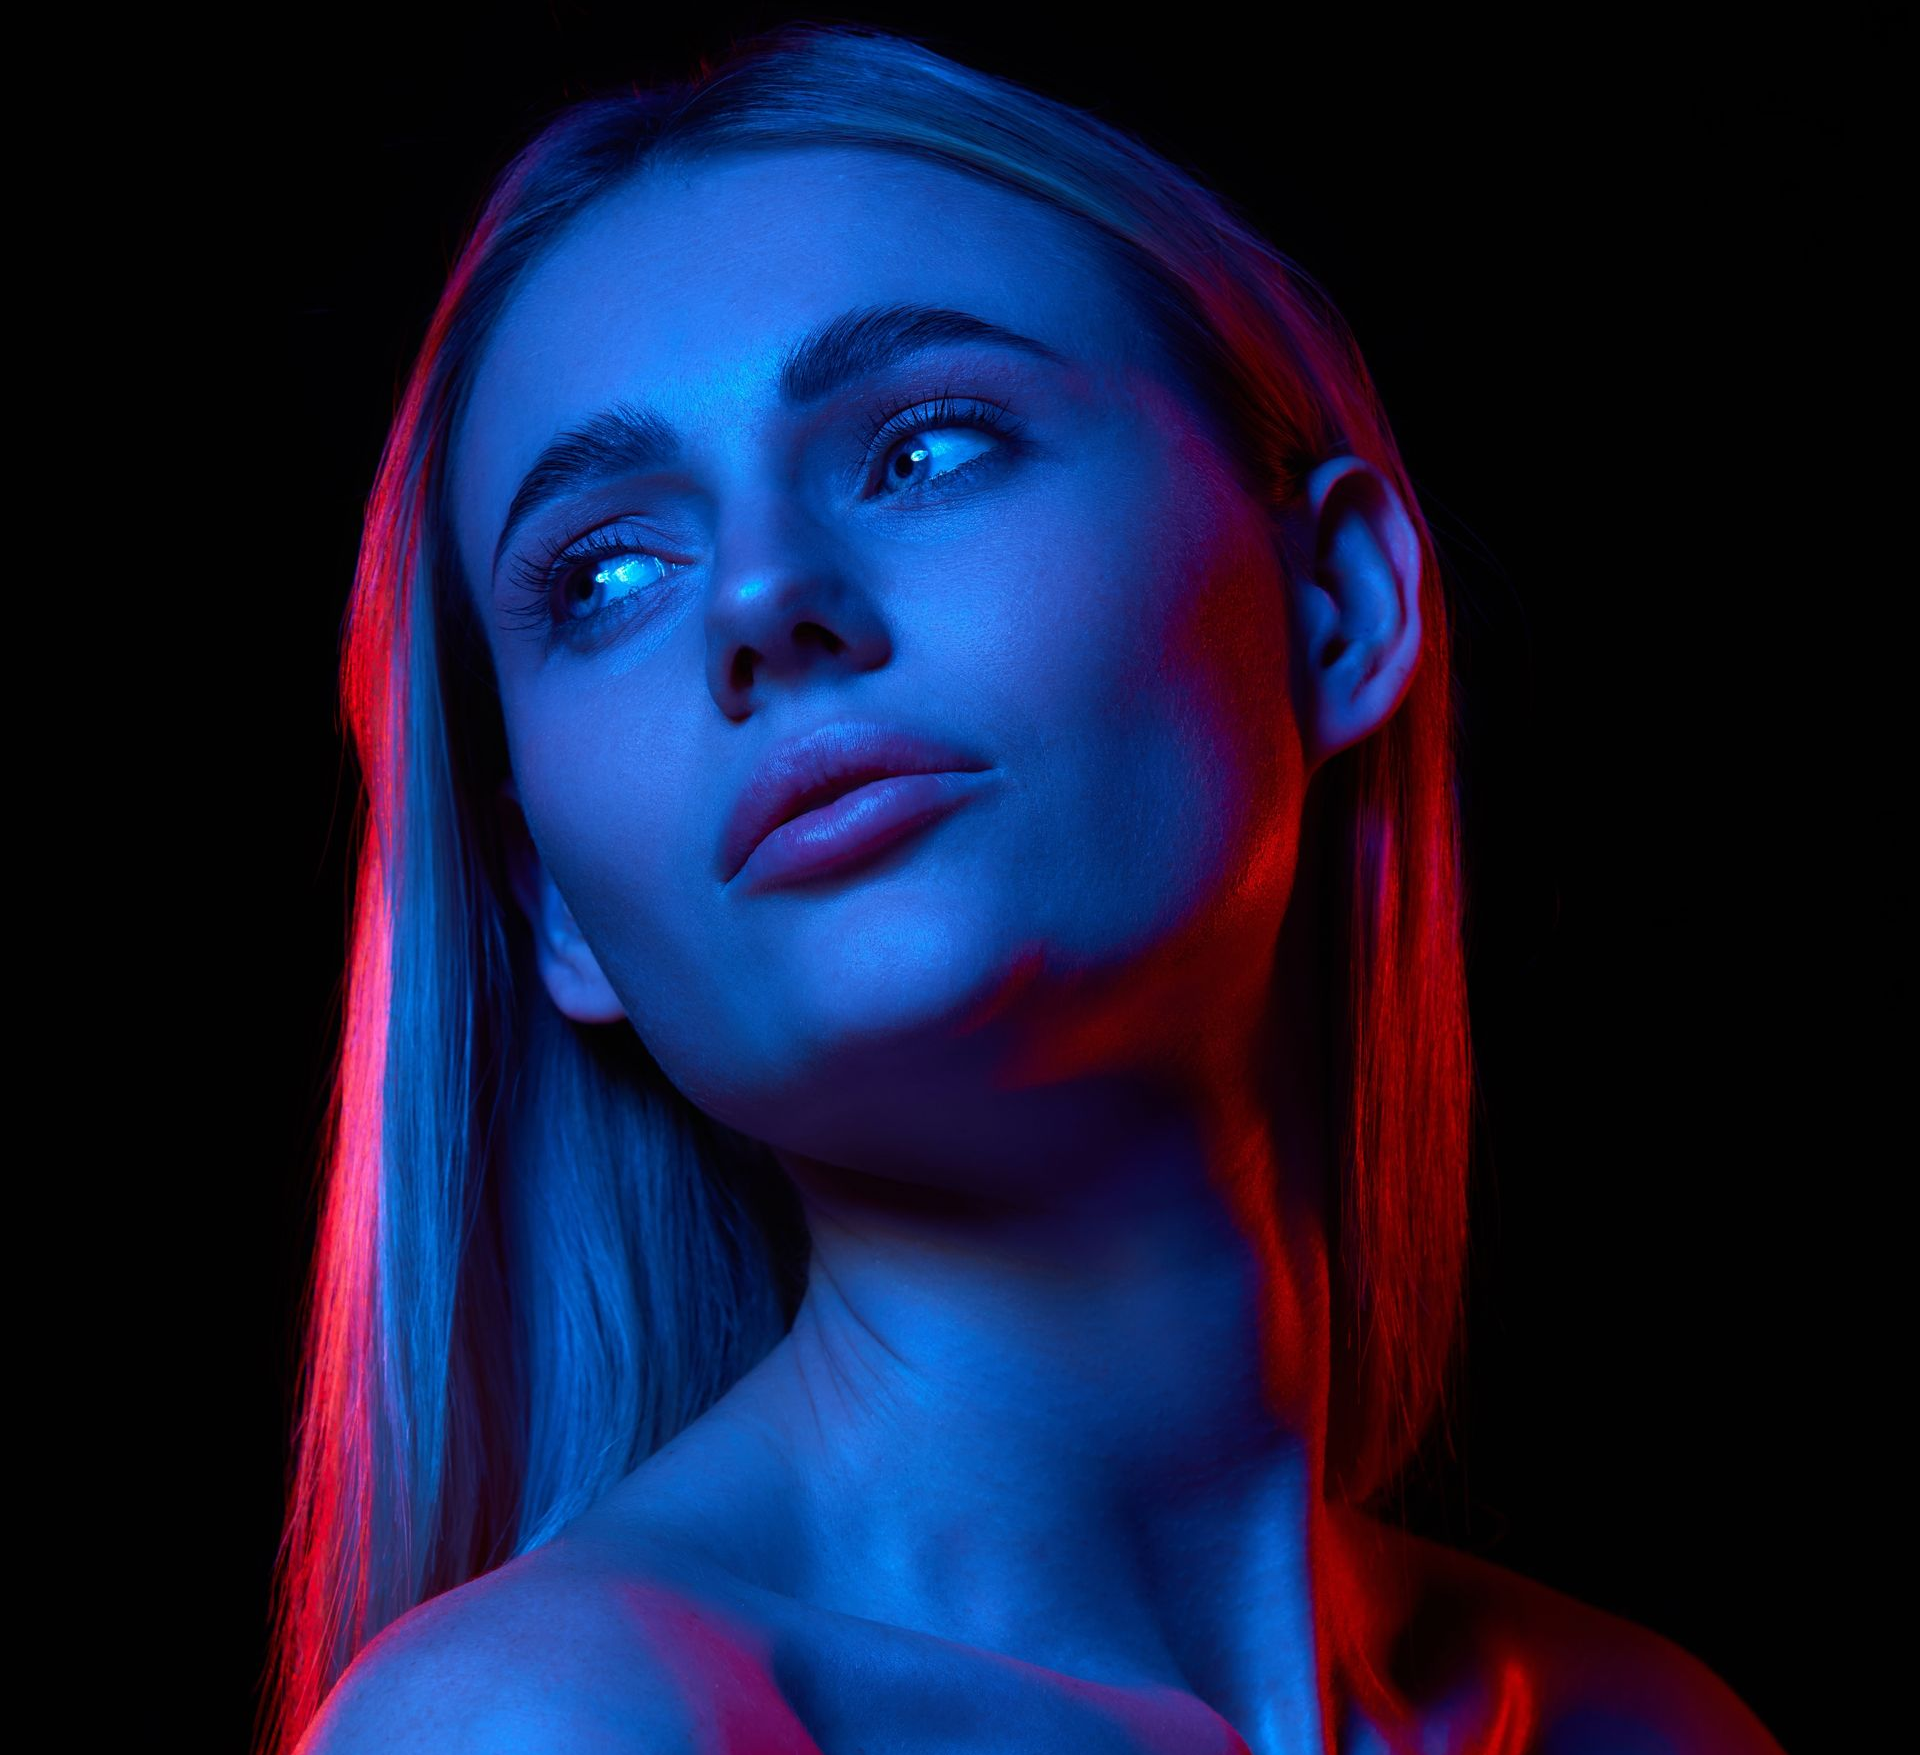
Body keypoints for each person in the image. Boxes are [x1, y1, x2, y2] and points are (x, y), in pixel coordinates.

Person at [264, 22, 1784, 1755]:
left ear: (1339, 607)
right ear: (552, 904)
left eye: (926, 447)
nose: (763, 598)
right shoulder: (555, 1725)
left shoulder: (1649, 1724)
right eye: (607, 567)